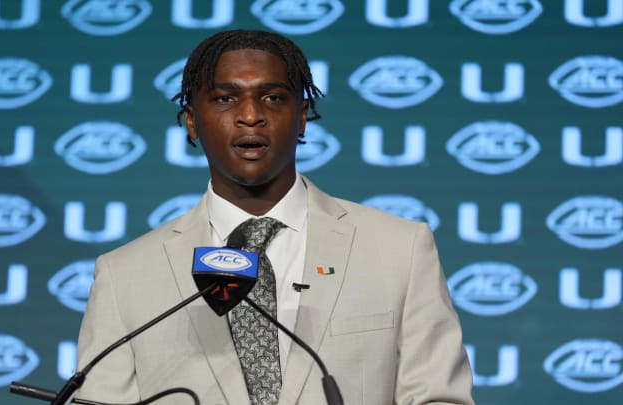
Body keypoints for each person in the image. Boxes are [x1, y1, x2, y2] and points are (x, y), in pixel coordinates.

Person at [75, 29, 475, 405]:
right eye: (224, 98)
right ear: (192, 120)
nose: (250, 115)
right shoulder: (124, 276)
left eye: (272, 98)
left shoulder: (399, 249)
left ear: (302, 115)